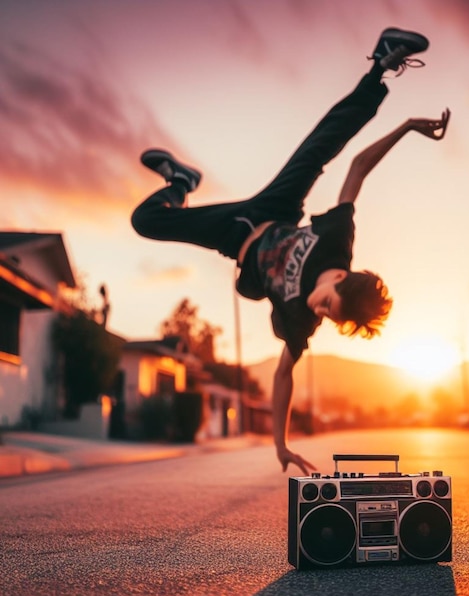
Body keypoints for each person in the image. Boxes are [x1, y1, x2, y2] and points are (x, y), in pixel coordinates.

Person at [131, 27, 450, 475]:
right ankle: (381, 64)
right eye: (328, 306)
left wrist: (279, 444)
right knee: (321, 146)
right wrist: (407, 128)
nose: (319, 312)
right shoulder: (338, 242)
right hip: (276, 208)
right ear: (340, 278)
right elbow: (357, 166)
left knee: (145, 222)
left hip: (235, 239)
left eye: (327, 317)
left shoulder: (302, 320)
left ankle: (180, 184)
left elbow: (284, 376)